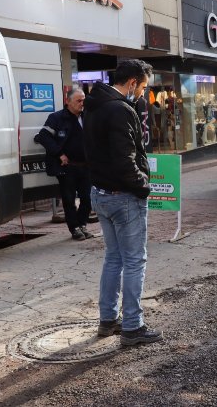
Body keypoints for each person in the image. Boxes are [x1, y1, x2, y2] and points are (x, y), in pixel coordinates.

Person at [84, 59, 163, 346]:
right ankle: (132, 326)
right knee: (133, 261)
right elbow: (125, 159)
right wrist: (143, 187)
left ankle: (108, 319)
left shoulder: (94, 106)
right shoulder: (120, 109)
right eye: (142, 87)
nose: (143, 93)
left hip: (101, 194)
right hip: (123, 197)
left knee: (114, 258)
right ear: (131, 83)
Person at [34, 88, 94, 241]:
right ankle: (74, 228)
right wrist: (59, 154)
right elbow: (43, 136)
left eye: (83, 100)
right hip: (67, 167)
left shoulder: (87, 116)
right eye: (78, 101)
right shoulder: (57, 118)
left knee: (87, 198)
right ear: (68, 101)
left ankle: (82, 224)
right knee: (69, 200)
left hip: (86, 166)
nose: (82, 104)